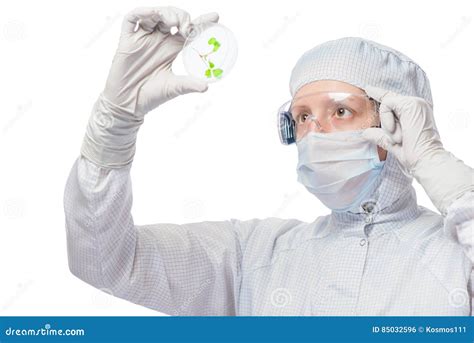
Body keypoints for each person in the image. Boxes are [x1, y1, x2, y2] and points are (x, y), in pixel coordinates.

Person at [64, 6, 474, 316]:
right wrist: (115, 122)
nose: (315, 133)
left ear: (397, 120)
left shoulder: (455, 255)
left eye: (341, 112)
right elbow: (107, 262)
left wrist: (440, 170)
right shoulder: (252, 257)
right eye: (303, 117)